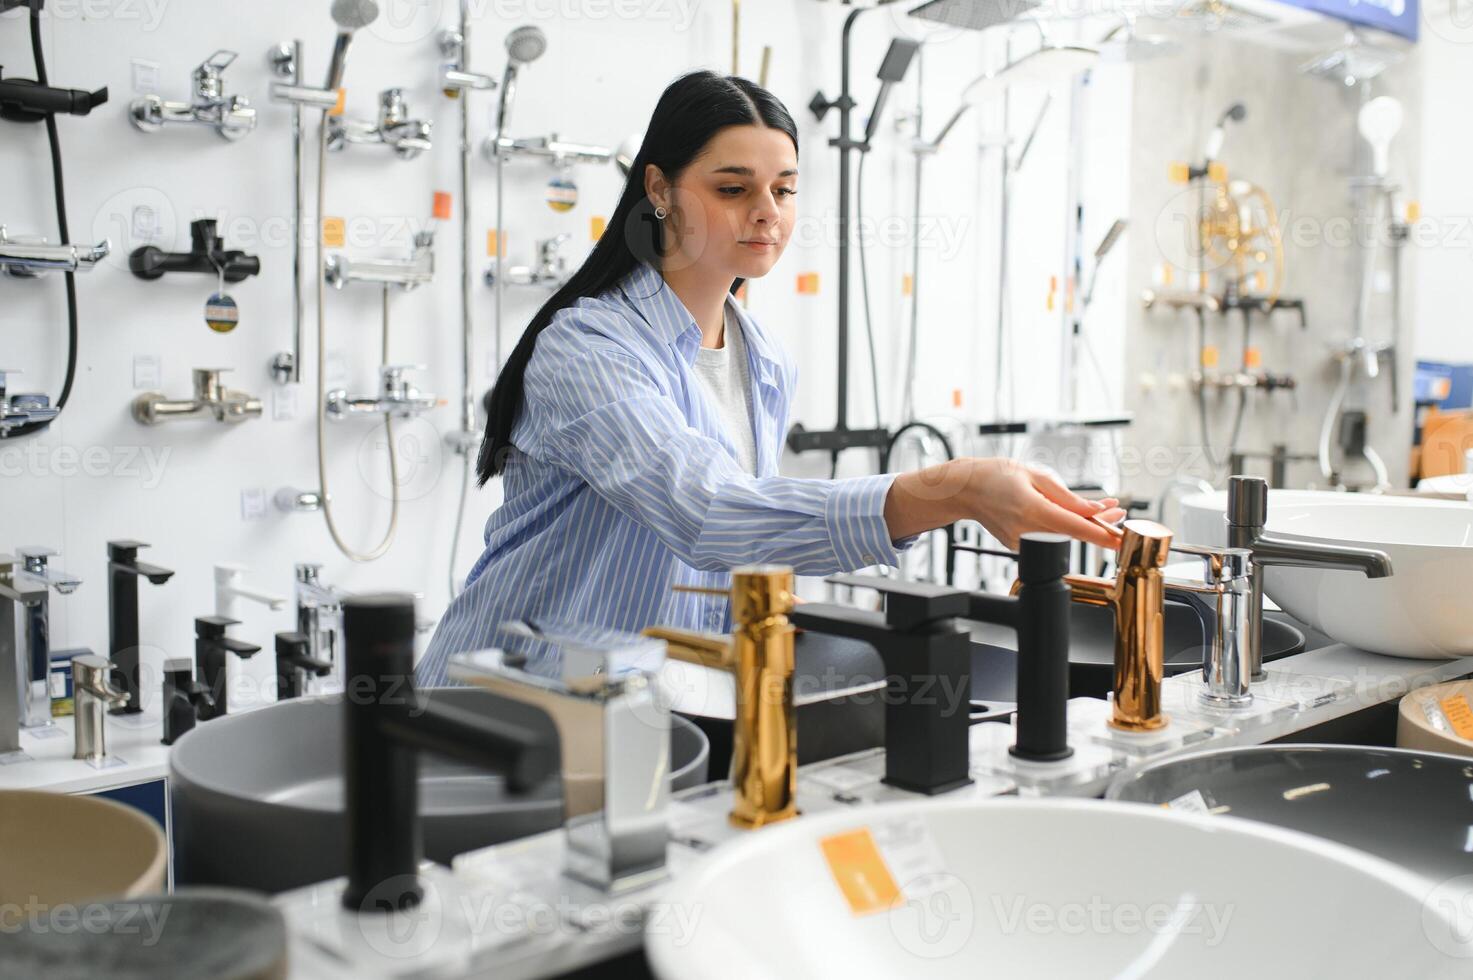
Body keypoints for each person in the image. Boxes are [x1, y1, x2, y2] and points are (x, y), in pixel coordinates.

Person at [417, 70, 1122, 684]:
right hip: (512, 702)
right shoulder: (589, 348)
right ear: (659, 189)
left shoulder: (764, 358)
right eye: (733, 188)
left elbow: (745, 547)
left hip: (651, 701)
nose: (767, 213)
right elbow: (708, 512)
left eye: (783, 190)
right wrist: (951, 489)